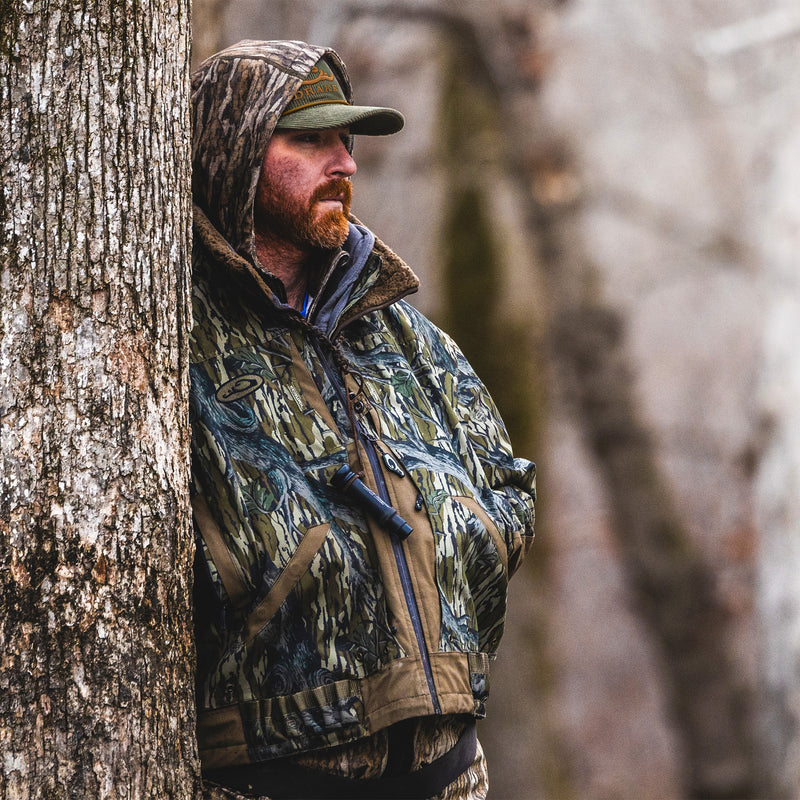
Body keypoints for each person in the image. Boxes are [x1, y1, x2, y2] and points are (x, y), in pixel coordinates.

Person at [189, 40, 537, 800]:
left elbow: (507, 483)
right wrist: (268, 575)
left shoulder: (396, 326)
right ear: (234, 152)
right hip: (269, 780)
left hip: (451, 774)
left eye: (346, 141)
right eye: (309, 139)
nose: (343, 162)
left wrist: (469, 538)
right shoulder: (171, 333)